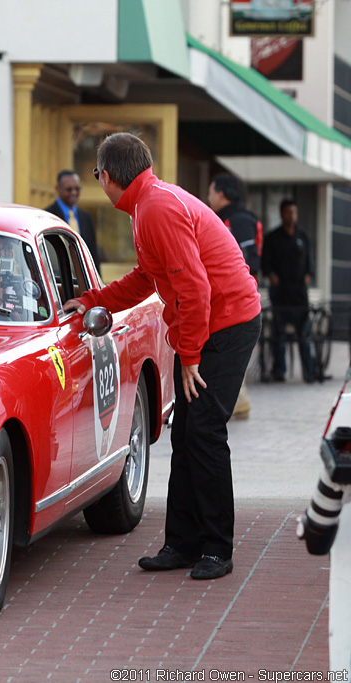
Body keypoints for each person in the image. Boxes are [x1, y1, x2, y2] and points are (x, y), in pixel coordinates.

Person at [63, 133, 261, 581]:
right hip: (210, 323)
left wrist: (189, 356)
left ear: (107, 176)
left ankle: (216, 549)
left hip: (228, 324)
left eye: (97, 175)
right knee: (187, 432)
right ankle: (182, 544)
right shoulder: (146, 204)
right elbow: (145, 279)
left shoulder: (156, 208)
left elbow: (195, 289)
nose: (98, 182)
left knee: (204, 432)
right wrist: (93, 300)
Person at [207, 172, 263, 419]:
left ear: (221, 193)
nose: (208, 197)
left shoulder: (237, 220)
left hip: (236, 302)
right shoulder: (229, 218)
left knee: (228, 357)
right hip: (233, 300)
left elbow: (248, 259)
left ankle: (236, 403)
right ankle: (235, 402)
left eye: (210, 191)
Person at [260, 199, 321, 383]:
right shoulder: (273, 238)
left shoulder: (303, 236)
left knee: (304, 334)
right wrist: (274, 278)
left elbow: (310, 263)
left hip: (299, 295)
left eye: (294, 212)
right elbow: (266, 265)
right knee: (279, 335)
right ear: (281, 214)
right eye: (288, 212)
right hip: (280, 294)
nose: (291, 215)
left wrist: (307, 277)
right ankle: (279, 370)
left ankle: (309, 371)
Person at [44, 170, 101, 275]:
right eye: (69, 189)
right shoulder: (47, 216)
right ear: (58, 189)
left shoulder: (85, 217)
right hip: (58, 279)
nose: (74, 192)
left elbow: (93, 251)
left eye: (77, 188)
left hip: (84, 277)